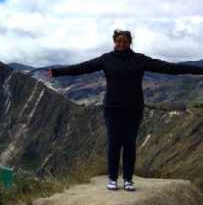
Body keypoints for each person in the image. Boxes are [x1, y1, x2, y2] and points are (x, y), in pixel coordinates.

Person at [46, 29, 203, 191]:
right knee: (114, 144)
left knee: (129, 145)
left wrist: (199, 70)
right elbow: (83, 67)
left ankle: (128, 179)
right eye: (118, 41)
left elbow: (169, 68)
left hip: (134, 109)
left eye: (124, 41)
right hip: (112, 108)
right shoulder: (106, 59)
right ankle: (112, 178)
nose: (121, 44)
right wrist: (58, 72)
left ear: (129, 42)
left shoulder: (140, 60)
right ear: (114, 42)